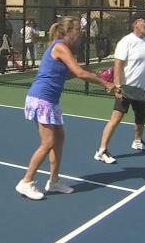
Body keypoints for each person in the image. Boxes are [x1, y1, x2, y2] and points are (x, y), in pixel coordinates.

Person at [15, 16, 116, 200]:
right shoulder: (60, 46)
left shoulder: (65, 49)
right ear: (69, 31)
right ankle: (26, 182)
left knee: (59, 139)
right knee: (47, 143)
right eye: (78, 29)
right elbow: (78, 72)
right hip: (41, 98)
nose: (81, 32)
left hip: (50, 100)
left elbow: (68, 74)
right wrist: (105, 83)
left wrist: (96, 73)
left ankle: (54, 182)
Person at [94, 12, 145, 164]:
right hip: (126, 88)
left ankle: (137, 141)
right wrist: (117, 86)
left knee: (140, 117)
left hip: (141, 89)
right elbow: (118, 64)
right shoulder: (126, 42)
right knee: (115, 119)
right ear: (136, 23)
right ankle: (101, 150)